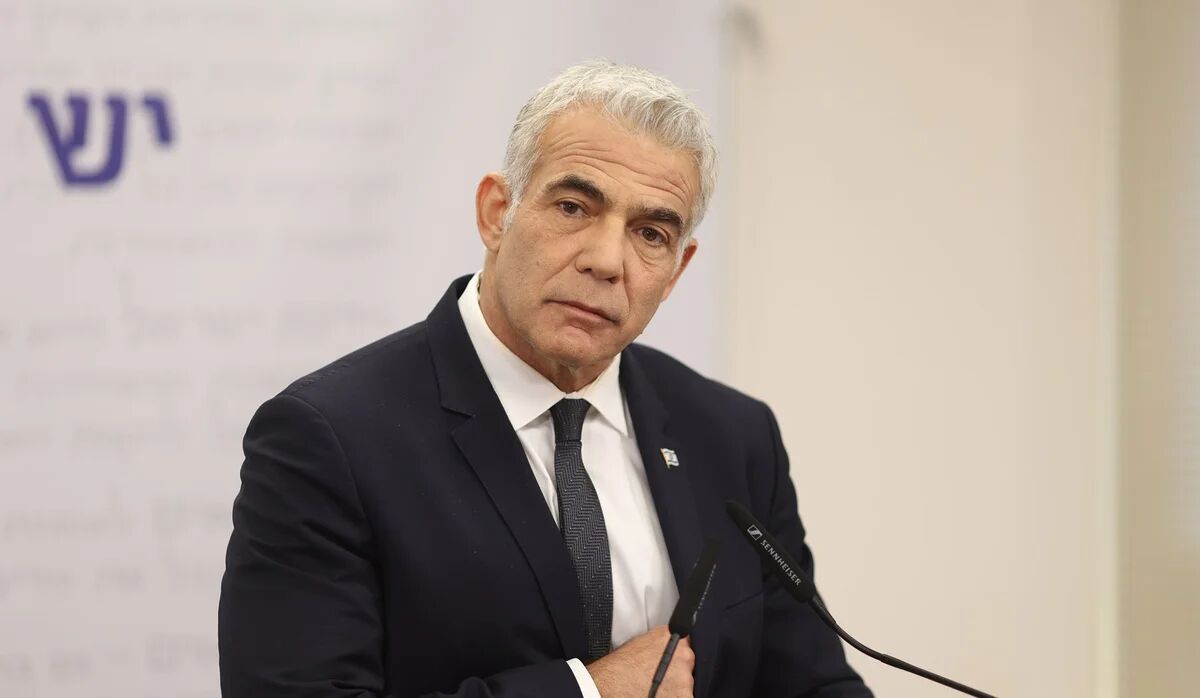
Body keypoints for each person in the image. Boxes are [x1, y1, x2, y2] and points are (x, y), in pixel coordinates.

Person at [218, 60, 872, 698]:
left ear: (676, 269)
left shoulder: (733, 435)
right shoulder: (330, 438)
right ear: (496, 212)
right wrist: (588, 691)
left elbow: (811, 682)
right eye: (573, 207)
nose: (607, 260)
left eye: (650, 233)